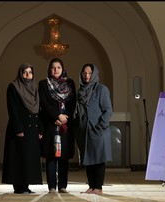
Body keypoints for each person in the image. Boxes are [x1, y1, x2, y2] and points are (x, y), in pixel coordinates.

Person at [1, 63, 43, 194]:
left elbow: (39, 110)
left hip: (33, 129)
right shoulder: (13, 87)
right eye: (25, 72)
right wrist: (18, 129)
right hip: (19, 129)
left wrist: (40, 129)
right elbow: (12, 110)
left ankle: (26, 185)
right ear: (20, 73)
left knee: (29, 158)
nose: (27, 75)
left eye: (30, 72)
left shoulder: (35, 88)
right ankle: (18, 187)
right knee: (19, 157)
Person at [38, 58, 76, 193]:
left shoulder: (70, 83)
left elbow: (73, 103)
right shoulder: (43, 84)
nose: (56, 70)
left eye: (58, 67)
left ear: (63, 68)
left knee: (64, 156)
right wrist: (56, 116)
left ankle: (63, 186)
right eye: (53, 67)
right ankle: (52, 187)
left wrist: (66, 117)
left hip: (65, 125)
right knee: (51, 156)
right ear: (49, 69)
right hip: (50, 124)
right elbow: (44, 104)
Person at [74, 63, 113, 195]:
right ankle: (91, 186)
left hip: (97, 130)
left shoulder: (101, 89)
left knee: (98, 159)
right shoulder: (80, 91)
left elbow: (108, 110)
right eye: (84, 73)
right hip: (84, 131)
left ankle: (98, 187)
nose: (87, 76)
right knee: (88, 159)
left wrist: (100, 127)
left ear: (94, 74)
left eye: (90, 73)